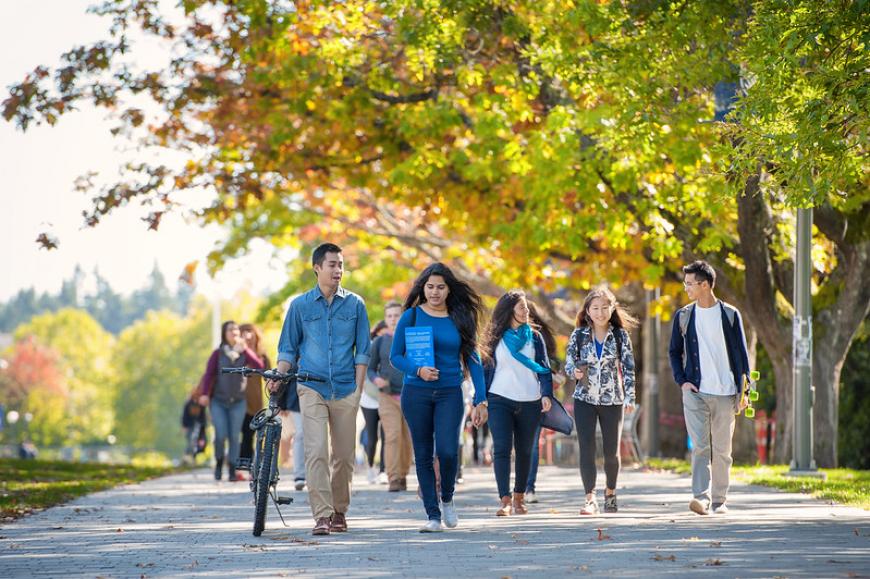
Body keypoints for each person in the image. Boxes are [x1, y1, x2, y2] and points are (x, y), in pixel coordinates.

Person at [268, 243, 371, 536]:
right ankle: (322, 515)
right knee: (316, 452)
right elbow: (287, 348)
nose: (338, 270)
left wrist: (358, 391)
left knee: (344, 456)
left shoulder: (355, 304)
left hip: (345, 388)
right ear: (317, 268)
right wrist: (280, 374)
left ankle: (340, 511)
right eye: (332, 265)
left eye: (341, 265)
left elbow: (363, 350)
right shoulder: (300, 306)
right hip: (310, 386)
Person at [390, 262, 488, 533]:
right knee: (422, 454)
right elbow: (395, 356)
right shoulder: (410, 316)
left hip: (449, 392)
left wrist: (482, 399)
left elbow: (474, 359)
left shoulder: (460, 316)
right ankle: (432, 516)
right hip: (416, 392)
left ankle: (447, 497)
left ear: (448, 289)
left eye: (440, 287)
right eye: (430, 286)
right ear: (423, 288)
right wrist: (417, 369)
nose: (434, 292)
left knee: (446, 451)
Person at [668, 260, 751, 516]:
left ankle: (720, 500)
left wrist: (744, 391)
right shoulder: (684, 315)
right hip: (696, 392)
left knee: (722, 450)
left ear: (705, 285)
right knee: (701, 447)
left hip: (726, 393)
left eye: (690, 284)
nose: (686, 288)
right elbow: (674, 351)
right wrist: (682, 381)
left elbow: (742, 356)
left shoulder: (729, 314)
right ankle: (701, 498)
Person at [565, 286, 637, 515]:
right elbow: (568, 363)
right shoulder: (579, 335)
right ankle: (589, 499)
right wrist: (573, 372)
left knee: (611, 453)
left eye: (605, 308)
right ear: (587, 310)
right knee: (586, 447)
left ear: (612, 308)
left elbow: (628, 368)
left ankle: (610, 493)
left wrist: (630, 396)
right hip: (584, 398)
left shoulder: (619, 336)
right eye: (595, 308)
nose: (600, 312)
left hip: (612, 399)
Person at [482, 290, 554, 516]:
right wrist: (480, 401)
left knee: (524, 451)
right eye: (522, 307)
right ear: (509, 309)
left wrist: (546, 394)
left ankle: (519, 498)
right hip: (499, 398)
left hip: (530, 400)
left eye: (526, 307)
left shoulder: (534, 337)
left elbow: (544, 367)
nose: (526, 311)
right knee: (502, 449)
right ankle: (504, 499)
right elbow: (484, 370)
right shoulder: (495, 337)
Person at [198, 321, 266, 481]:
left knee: (235, 436)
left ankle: (232, 470)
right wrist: (204, 394)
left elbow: (259, 366)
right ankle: (220, 462)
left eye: (235, 329)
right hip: (218, 401)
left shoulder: (244, 353)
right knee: (221, 435)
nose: (234, 332)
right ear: (224, 333)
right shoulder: (218, 354)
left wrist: (246, 350)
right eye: (230, 329)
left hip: (238, 402)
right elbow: (209, 374)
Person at [368, 302, 413, 492]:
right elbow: (370, 368)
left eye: (397, 315)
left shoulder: (411, 338)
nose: (393, 319)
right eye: (390, 316)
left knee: (407, 438)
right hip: (387, 396)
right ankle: (393, 477)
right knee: (392, 436)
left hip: (410, 395)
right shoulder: (379, 342)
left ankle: (403, 475)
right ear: (385, 319)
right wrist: (376, 379)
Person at [524, 300, 560, 504]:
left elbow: (553, 362)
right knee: (529, 444)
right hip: (518, 393)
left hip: (537, 393)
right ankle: (525, 488)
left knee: (531, 443)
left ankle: (528, 487)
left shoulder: (540, 336)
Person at [238, 323, 271, 479]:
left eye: (250, 332)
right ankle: (242, 467)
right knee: (244, 435)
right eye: (243, 332)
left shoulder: (262, 357)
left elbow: (270, 378)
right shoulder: (238, 354)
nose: (247, 336)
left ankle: (250, 466)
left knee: (252, 436)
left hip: (255, 403)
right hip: (238, 402)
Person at [361, 320, 388, 484]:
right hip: (368, 399)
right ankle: (370, 467)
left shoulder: (392, 345)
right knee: (372, 436)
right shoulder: (369, 347)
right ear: (377, 332)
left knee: (387, 435)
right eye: (383, 332)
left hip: (387, 397)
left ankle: (383, 470)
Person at [181, 387, 208, 464]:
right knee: (191, 442)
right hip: (190, 426)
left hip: (199, 427)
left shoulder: (201, 404)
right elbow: (184, 415)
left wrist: (204, 426)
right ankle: (187, 458)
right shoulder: (188, 404)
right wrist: (184, 426)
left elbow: (203, 416)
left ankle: (193, 457)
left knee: (202, 443)